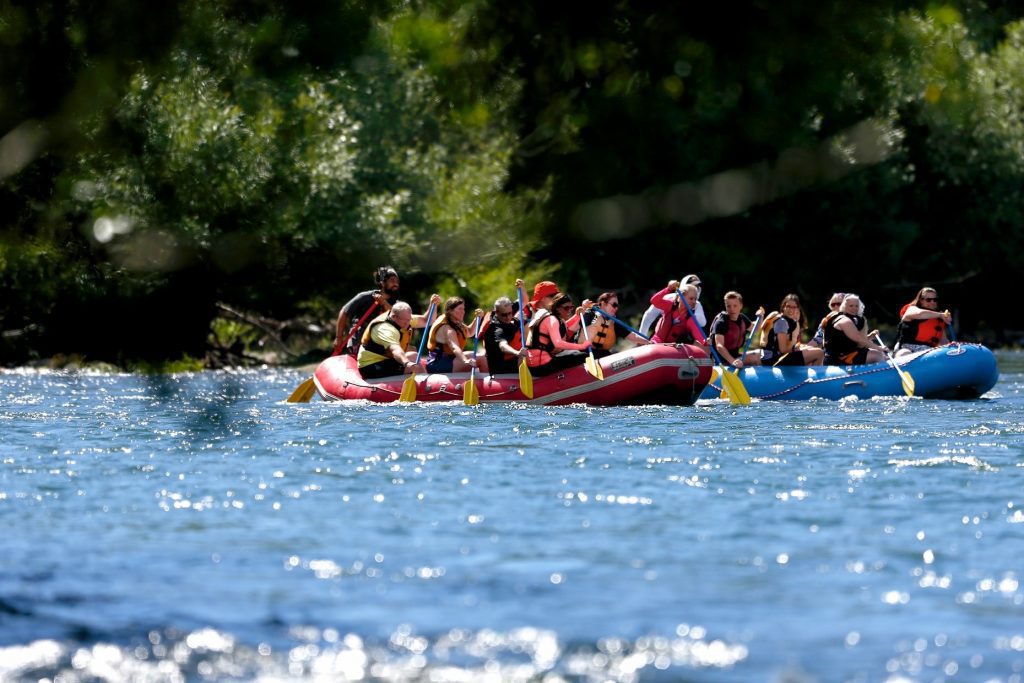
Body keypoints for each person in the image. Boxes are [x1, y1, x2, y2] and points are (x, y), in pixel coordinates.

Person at [356, 295, 442, 378]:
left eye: (409, 320)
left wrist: (433, 305)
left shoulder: (403, 318)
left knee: (413, 351)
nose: (408, 324)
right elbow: (395, 350)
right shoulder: (385, 329)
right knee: (413, 356)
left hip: (386, 360)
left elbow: (426, 321)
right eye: (405, 321)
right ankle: (425, 383)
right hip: (371, 366)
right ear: (394, 317)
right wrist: (407, 363)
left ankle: (422, 380)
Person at [334, 266, 401, 355]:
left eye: (397, 281)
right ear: (382, 283)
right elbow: (344, 312)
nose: (396, 284)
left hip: (380, 341)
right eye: (392, 281)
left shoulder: (397, 304)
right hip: (359, 339)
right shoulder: (365, 297)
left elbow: (398, 318)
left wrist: (384, 303)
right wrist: (339, 338)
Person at [526, 291, 591, 376]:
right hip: (541, 366)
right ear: (557, 308)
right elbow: (558, 343)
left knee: (576, 354)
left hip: (538, 363)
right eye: (566, 308)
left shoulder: (553, 318)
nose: (569, 310)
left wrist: (577, 315)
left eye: (571, 307)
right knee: (582, 356)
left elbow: (566, 327)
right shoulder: (552, 320)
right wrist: (581, 346)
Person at [822, 293, 888, 365]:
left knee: (878, 352)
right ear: (844, 306)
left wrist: (870, 337)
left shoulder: (851, 319)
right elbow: (859, 340)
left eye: (856, 306)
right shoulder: (844, 320)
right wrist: (880, 348)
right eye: (851, 306)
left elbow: (853, 341)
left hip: (845, 354)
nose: (854, 308)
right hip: (837, 359)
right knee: (878, 355)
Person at [425, 297, 486, 374]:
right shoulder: (447, 328)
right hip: (438, 363)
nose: (463, 312)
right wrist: (465, 360)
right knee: (481, 359)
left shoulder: (456, 323)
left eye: (463, 309)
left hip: (450, 359)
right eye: (460, 309)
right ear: (450, 311)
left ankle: (488, 379)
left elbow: (470, 332)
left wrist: (477, 319)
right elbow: (454, 347)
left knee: (482, 356)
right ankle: (489, 380)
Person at [581, 292, 651, 358]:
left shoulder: (614, 323)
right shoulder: (590, 314)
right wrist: (584, 309)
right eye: (614, 305)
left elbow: (632, 336)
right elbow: (580, 327)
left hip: (601, 354)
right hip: (584, 352)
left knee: (610, 354)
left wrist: (649, 341)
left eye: (617, 306)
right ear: (604, 304)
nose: (616, 308)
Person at [760, 294, 824, 366]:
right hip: (773, 360)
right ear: (783, 307)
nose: (791, 309)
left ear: (798, 309)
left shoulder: (788, 322)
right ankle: (816, 374)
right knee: (819, 353)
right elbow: (783, 349)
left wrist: (799, 347)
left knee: (809, 349)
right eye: (788, 306)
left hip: (774, 357)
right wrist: (796, 348)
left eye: (794, 307)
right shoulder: (782, 322)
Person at [640, 274, 706, 337]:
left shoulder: (697, 305)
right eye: (692, 287)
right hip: (660, 337)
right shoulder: (668, 298)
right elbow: (649, 315)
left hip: (680, 340)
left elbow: (702, 323)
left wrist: (687, 314)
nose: (695, 289)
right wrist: (642, 335)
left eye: (697, 287)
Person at [709, 291, 762, 368]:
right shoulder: (721, 322)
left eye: (735, 306)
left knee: (760, 354)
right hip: (722, 361)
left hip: (736, 357)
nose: (732, 309)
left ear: (741, 306)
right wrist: (733, 361)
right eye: (728, 306)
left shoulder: (742, 318)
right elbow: (719, 346)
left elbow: (755, 329)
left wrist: (761, 316)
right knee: (755, 358)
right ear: (725, 306)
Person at [894, 287, 953, 356]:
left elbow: (943, 341)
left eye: (935, 300)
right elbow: (919, 313)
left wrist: (951, 348)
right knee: (904, 353)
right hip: (906, 348)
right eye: (928, 300)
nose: (932, 302)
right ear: (921, 300)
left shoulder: (939, 319)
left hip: (929, 352)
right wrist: (940, 315)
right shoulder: (911, 309)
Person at [648, 281, 706, 347]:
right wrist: (668, 289)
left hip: (671, 347)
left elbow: (696, 332)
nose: (694, 302)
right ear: (680, 297)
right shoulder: (670, 306)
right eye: (691, 299)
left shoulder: (690, 318)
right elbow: (654, 301)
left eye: (695, 299)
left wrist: (704, 341)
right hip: (656, 341)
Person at [484, 295, 528, 375]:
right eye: (504, 315)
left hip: (510, 359)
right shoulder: (497, 329)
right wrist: (517, 353)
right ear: (497, 312)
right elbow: (503, 346)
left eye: (510, 313)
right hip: (500, 368)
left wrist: (520, 287)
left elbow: (523, 299)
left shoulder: (507, 308)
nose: (508, 317)